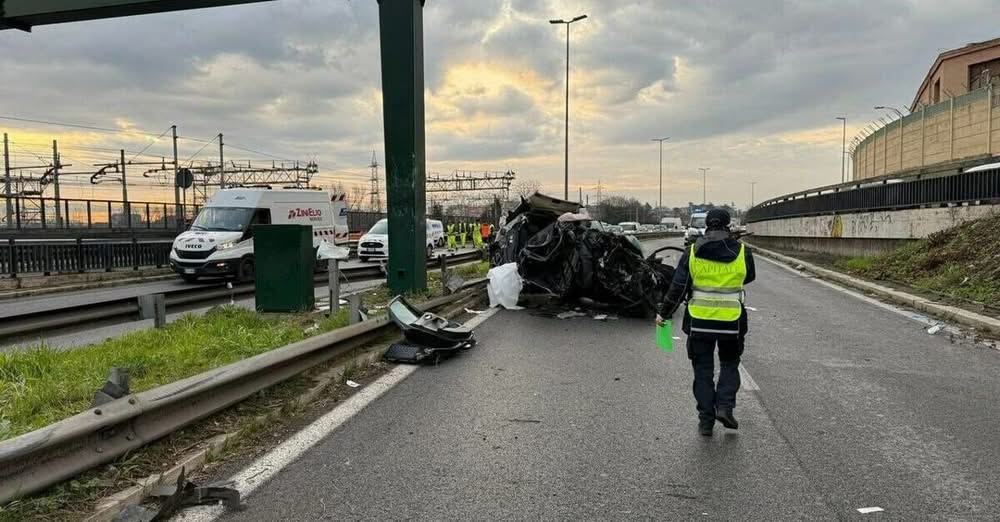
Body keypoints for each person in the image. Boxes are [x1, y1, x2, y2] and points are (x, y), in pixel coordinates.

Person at [656, 209, 755, 437]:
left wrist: (664, 313)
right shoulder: (742, 251)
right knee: (730, 364)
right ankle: (725, 407)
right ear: (729, 225)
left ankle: (706, 421)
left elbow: (678, 287)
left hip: (699, 323)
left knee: (702, 371)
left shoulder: (692, 252)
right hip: (732, 322)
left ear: (706, 225)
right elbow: (749, 276)